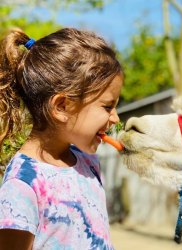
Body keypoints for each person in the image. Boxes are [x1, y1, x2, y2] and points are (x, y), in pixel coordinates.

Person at [0, 27, 123, 249]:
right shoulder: (22, 184)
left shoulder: (88, 162)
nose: (115, 118)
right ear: (62, 106)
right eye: (107, 106)